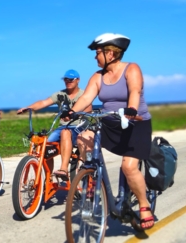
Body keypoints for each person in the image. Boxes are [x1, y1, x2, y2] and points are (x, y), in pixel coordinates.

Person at [65, 33, 154, 230]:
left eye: (98, 53)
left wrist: (131, 109)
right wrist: (72, 112)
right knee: (83, 137)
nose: (95, 57)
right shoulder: (98, 76)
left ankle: (144, 204)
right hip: (109, 122)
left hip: (135, 123)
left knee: (129, 167)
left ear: (111, 54)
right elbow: (87, 97)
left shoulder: (132, 68)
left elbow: (135, 91)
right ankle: (91, 179)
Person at [17, 69, 92, 180]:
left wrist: (75, 114)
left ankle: (64, 169)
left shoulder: (83, 94)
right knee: (45, 146)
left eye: (71, 79)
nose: (68, 81)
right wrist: (29, 107)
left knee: (65, 132)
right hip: (63, 127)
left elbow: (89, 108)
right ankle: (48, 179)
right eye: (66, 79)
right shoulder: (60, 94)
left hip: (78, 126)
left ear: (78, 80)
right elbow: (43, 102)